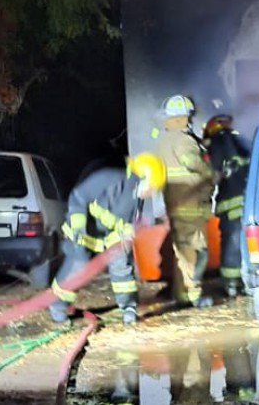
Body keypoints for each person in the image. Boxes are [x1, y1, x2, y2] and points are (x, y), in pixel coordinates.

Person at [49, 152, 167, 325]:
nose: (152, 192)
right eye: (152, 186)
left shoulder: (137, 195)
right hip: (85, 231)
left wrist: (127, 232)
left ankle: (128, 307)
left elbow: (129, 218)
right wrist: (78, 226)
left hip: (110, 235)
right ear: (142, 175)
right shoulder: (110, 177)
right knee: (78, 268)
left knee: (122, 265)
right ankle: (58, 306)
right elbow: (79, 196)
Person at [154, 94, 215, 307]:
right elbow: (191, 161)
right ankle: (194, 295)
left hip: (176, 204)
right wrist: (210, 172)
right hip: (191, 204)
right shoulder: (183, 139)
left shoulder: (164, 141)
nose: (190, 121)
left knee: (182, 251)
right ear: (182, 118)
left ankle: (181, 294)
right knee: (197, 253)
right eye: (188, 117)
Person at [203, 114, 250, 297]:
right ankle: (248, 281)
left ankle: (231, 283)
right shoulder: (244, 141)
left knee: (232, 242)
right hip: (250, 202)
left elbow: (213, 175)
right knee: (248, 242)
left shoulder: (216, 144)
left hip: (231, 204)